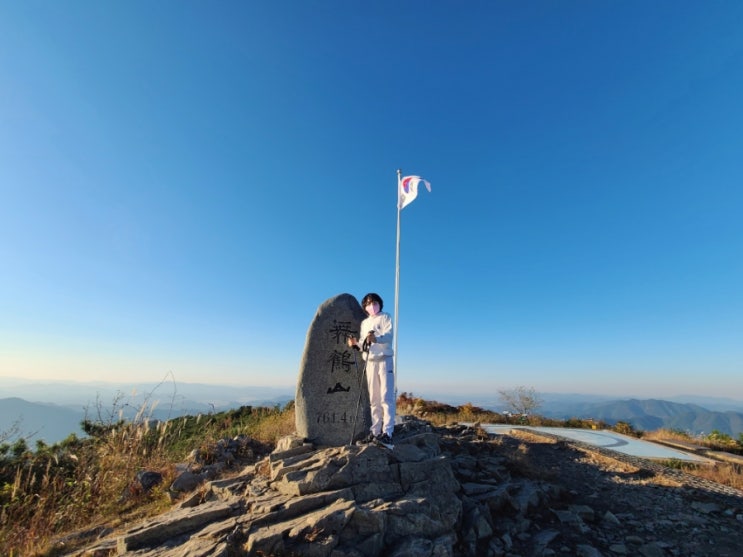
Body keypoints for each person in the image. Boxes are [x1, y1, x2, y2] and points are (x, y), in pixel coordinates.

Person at [347, 292, 395, 446]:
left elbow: (389, 335)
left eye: (374, 302)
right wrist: (355, 344)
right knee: (374, 399)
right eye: (368, 303)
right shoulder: (365, 323)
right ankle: (375, 432)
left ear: (379, 303)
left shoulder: (385, 317)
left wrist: (377, 339)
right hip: (370, 362)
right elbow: (364, 344)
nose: (371, 305)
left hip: (384, 360)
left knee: (386, 397)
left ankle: (387, 432)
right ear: (364, 307)